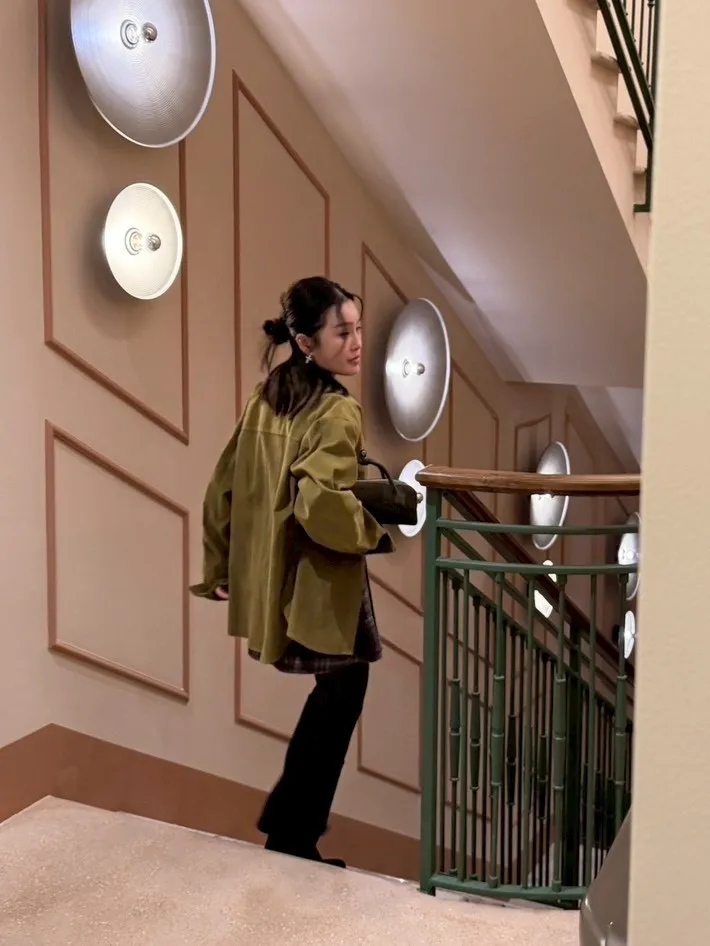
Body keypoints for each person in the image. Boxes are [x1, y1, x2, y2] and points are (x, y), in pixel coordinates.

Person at [190, 275, 394, 868]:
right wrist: (372, 531)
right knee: (343, 693)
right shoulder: (338, 411)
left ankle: (290, 825)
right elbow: (321, 502)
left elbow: (221, 488)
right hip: (320, 583)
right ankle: (292, 833)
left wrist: (220, 565)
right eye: (342, 332)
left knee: (337, 693)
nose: (356, 342)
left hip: (273, 579)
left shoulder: (266, 400)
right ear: (306, 343)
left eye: (358, 328)